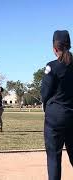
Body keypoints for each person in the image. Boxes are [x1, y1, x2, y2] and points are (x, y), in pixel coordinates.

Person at [41, 30, 73, 180]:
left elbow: (45, 93)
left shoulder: (52, 67)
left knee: (54, 158)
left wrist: (47, 109)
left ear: (54, 48)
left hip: (55, 119)